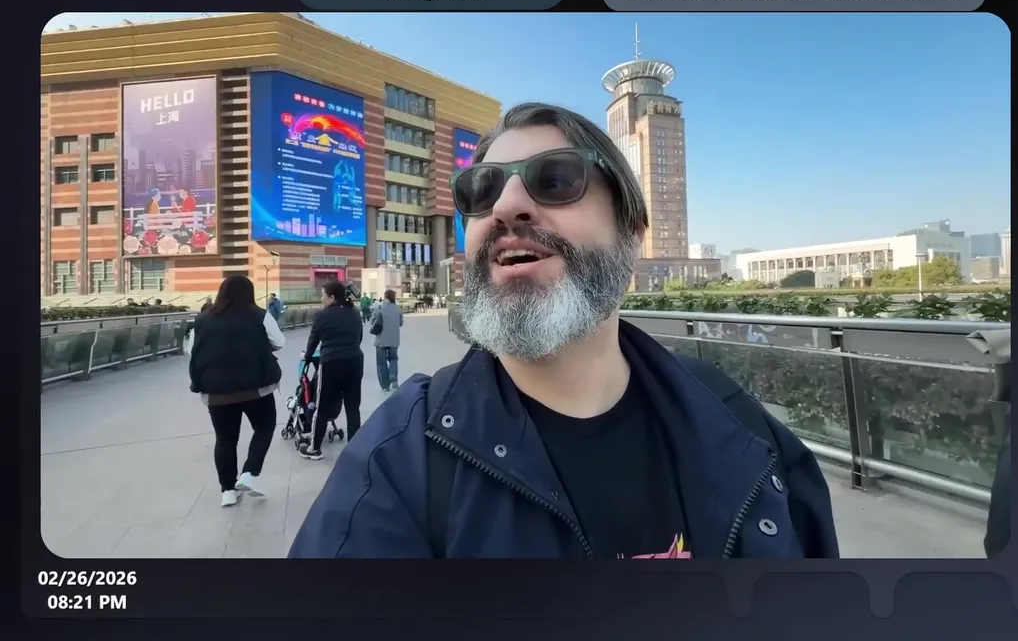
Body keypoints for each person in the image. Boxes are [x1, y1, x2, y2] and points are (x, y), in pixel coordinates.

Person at [289, 102, 839, 559]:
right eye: (481, 191)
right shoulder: (396, 461)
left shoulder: (741, 428)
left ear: (632, 236)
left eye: (555, 180)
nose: (506, 206)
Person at [187, 275, 285, 508]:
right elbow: (279, 342)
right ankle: (249, 474)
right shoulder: (260, 315)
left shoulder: (202, 319)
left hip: (217, 391)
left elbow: (192, 350)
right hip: (256, 389)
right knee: (264, 427)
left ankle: (228, 492)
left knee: (225, 439)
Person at [297, 280, 365, 460]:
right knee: (353, 407)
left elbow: (313, 342)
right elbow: (359, 338)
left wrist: (307, 357)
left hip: (331, 364)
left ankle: (314, 448)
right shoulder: (354, 313)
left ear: (332, 297)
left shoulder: (322, 315)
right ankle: (355, 448)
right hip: (354, 361)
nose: (321, 298)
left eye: (323, 295)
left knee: (322, 406)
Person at [370, 289, 404, 394]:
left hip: (381, 339)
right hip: (394, 339)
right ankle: (393, 375)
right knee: (393, 359)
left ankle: (385, 385)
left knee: (381, 362)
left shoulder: (379, 308)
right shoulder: (397, 309)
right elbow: (400, 323)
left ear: (385, 297)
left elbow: (372, 321)